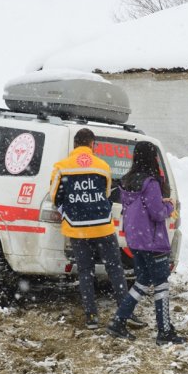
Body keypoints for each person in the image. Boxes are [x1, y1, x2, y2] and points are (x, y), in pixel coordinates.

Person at [50, 128, 136, 329]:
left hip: (77, 228)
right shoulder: (103, 166)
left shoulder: (61, 167)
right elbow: (106, 194)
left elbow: (55, 197)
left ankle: (91, 316)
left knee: (85, 272)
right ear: (92, 145)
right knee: (115, 269)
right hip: (102, 227)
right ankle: (125, 311)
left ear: (75, 145)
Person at [106, 141, 185, 345]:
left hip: (135, 240)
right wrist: (168, 207)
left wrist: (160, 203)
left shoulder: (126, 181)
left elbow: (137, 207)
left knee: (142, 280)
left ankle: (119, 321)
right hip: (152, 241)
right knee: (161, 284)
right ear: (153, 158)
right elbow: (157, 213)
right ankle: (164, 331)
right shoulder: (151, 183)